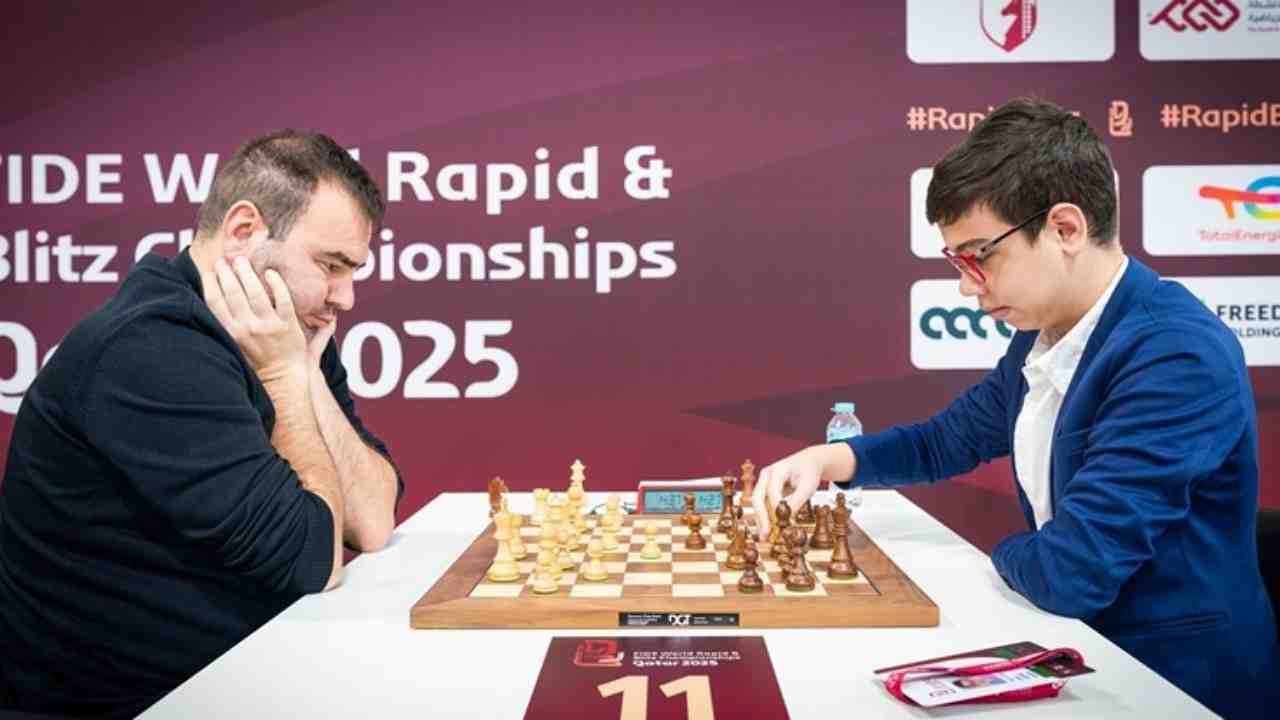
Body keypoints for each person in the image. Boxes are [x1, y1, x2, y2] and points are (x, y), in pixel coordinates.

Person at [752, 98, 1277, 718]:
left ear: (1065, 229)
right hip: (1083, 656)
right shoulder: (1046, 334)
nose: (965, 285)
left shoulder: (1175, 353)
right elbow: (945, 440)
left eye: (981, 255)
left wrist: (980, 559)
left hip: (1175, 684)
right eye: (958, 261)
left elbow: (1072, 571)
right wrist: (828, 459)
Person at [0, 130, 402, 718]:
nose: (345, 298)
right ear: (242, 231)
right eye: (330, 265)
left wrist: (302, 372)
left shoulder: (286, 329)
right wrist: (284, 376)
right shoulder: (146, 348)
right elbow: (312, 560)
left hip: (241, 680)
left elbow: (372, 521)